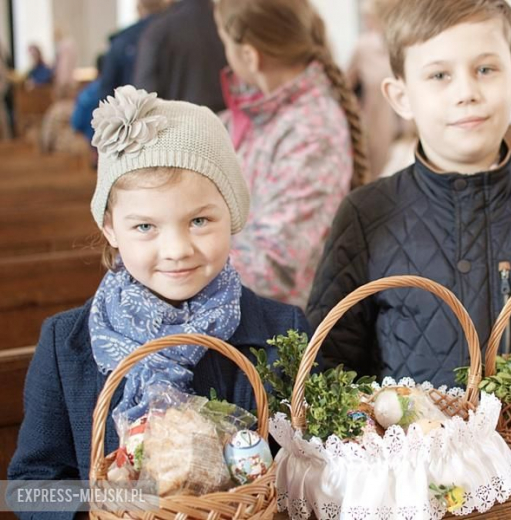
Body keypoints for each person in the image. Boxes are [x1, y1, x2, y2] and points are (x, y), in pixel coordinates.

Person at [7, 85, 310, 515]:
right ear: (111, 228)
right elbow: (28, 487)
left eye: (199, 220)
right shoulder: (65, 346)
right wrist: (112, 505)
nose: (177, 250)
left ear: (233, 213)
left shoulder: (283, 333)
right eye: (145, 227)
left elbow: (313, 470)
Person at [306, 0, 511, 388]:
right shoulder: (365, 215)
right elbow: (327, 365)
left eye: (485, 69)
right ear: (401, 97)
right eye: (439, 75)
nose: (467, 92)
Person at [214, 0, 368, 308]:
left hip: (282, 326)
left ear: (250, 56)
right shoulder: (264, 112)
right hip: (240, 305)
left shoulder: (312, 129)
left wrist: (187, 265)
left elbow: (275, 265)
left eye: (225, 43)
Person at [134, 0, 228, 111]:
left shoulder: (158, 30)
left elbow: (144, 98)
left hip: (174, 119)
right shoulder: (227, 24)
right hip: (224, 119)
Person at [346, 0, 401, 179]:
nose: (367, 22)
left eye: (370, 17)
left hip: (411, 139)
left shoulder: (413, 42)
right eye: (366, 17)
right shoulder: (364, 48)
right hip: (377, 138)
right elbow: (344, 89)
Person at [99, 0, 171, 101]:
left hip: (130, 107)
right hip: (175, 107)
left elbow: (107, 92)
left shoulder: (122, 39)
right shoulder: (180, 35)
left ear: (139, 6)